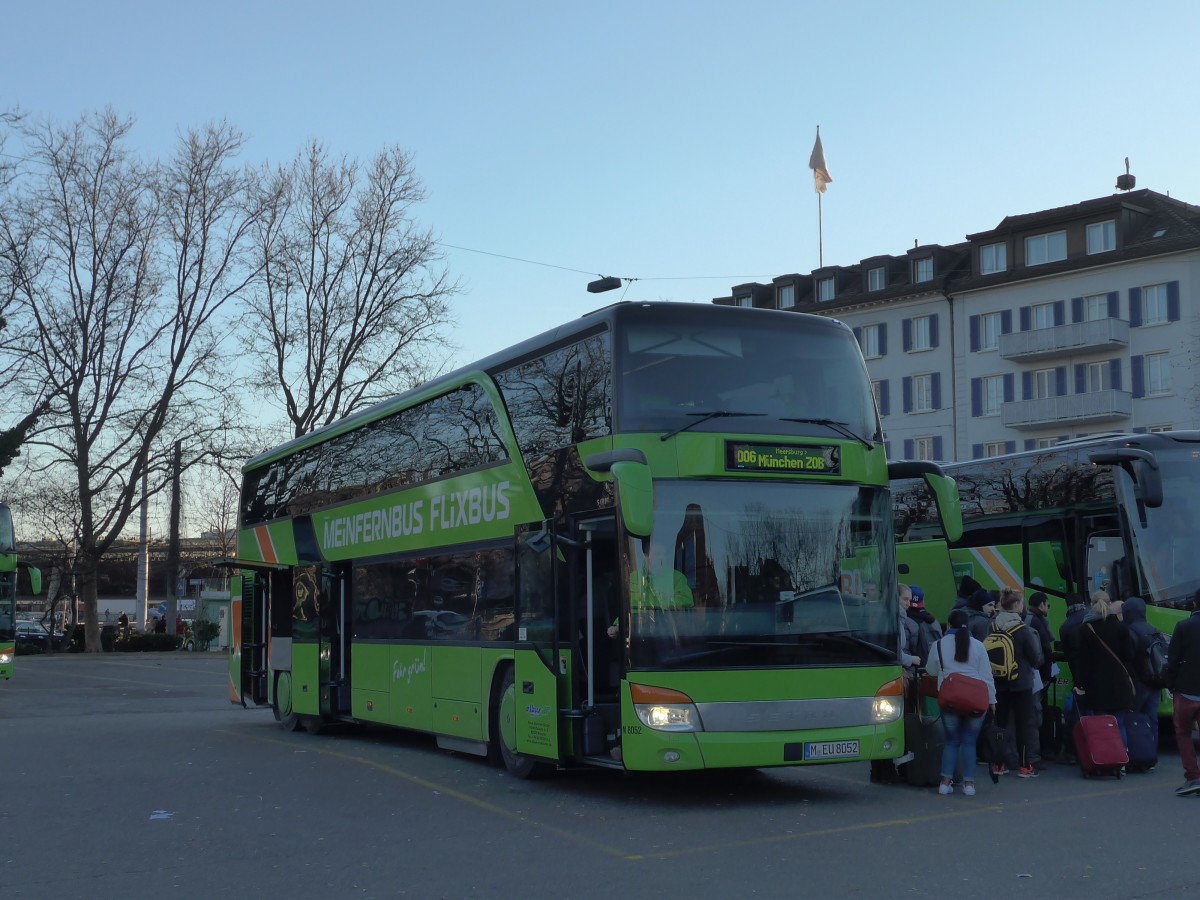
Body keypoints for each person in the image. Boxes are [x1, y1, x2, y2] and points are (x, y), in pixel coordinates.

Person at [926, 607, 996, 796]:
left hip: (949, 699)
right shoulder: (978, 646)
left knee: (951, 741)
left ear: (949, 624)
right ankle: (969, 785)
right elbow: (986, 676)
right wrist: (992, 701)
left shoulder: (939, 645)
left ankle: (945, 782)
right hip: (976, 701)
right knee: (969, 742)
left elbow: (931, 671)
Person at [990, 587, 1044, 777]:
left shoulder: (993, 626)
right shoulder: (1022, 630)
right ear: (1016, 605)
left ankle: (999, 764)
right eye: (1021, 603)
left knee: (1001, 723)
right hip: (1021, 683)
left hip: (999, 681)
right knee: (1023, 724)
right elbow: (1035, 658)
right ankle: (1024, 765)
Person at [1074, 589, 1135, 743]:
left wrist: (1080, 685)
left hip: (1097, 686)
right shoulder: (1122, 628)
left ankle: (1105, 759)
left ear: (1091, 605)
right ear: (1109, 604)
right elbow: (1129, 656)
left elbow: (1083, 662)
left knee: (1102, 724)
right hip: (1120, 683)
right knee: (1119, 723)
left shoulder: (1086, 629)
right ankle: (1122, 760)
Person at [1165, 589, 1200, 796]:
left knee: (1183, 733)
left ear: (1194, 604)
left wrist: (1171, 684)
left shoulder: (1184, 627)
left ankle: (1193, 777)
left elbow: (1172, 661)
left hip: (1185, 692)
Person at [1121, 595, 1164, 750]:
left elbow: (1127, 657)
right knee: (1152, 718)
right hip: (1155, 681)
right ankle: (1151, 751)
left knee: (1133, 717)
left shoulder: (1130, 631)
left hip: (1138, 682)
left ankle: (1137, 752)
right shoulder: (1154, 630)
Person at [1025, 591, 1055, 764]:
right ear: (1042, 605)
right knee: (1037, 713)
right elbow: (1046, 650)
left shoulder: (1027, 618)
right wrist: (1047, 675)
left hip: (1027, 673)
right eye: (1048, 605)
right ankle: (1037, 753)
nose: (1048, 609)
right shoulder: (1037, 621)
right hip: (1037, 674)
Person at [906, 584, 943, 664]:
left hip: (914, 668)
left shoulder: (906, 621)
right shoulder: (934, 621)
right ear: (922, 602)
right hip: (934, 667)